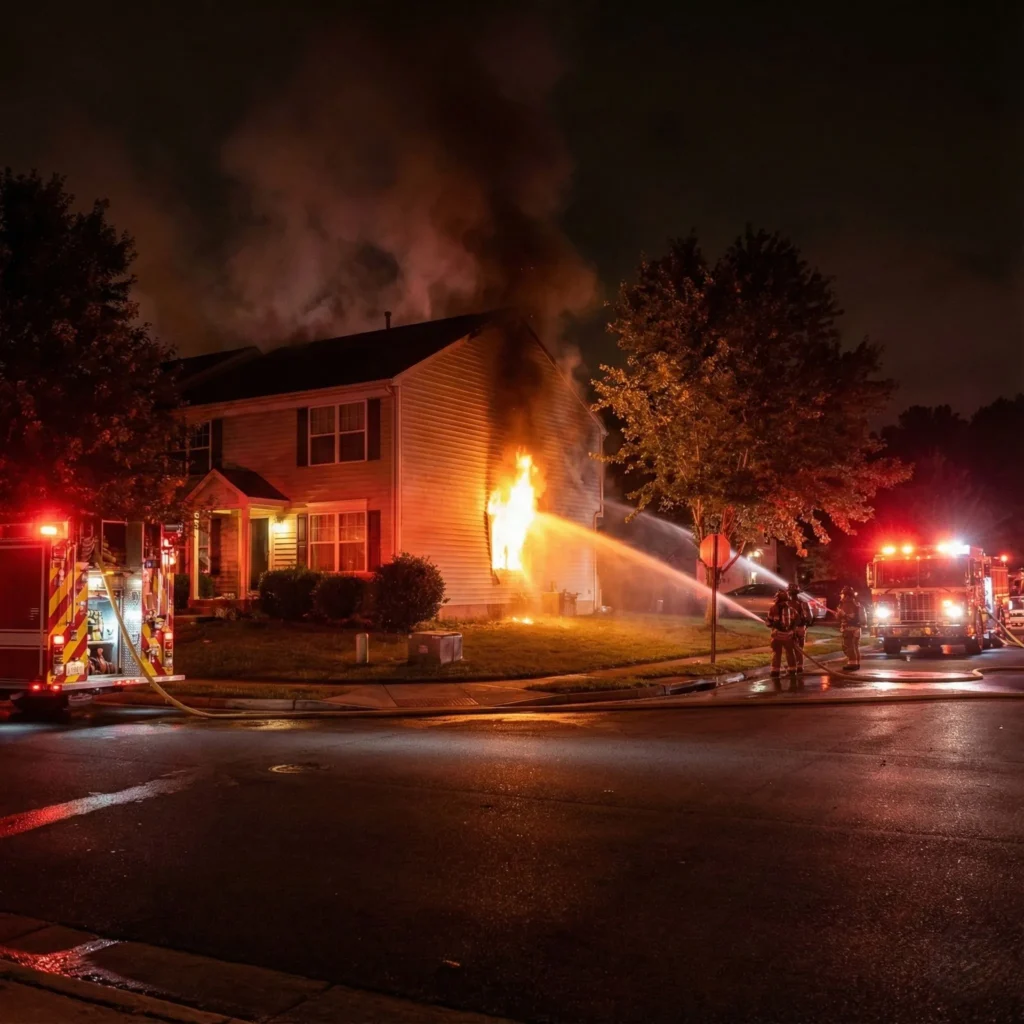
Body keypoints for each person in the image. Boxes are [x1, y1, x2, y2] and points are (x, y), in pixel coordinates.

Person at [767, 588, 798, 677]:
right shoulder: (791, 609)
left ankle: (775, 671)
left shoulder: (773, 609)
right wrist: (792, 630)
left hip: (777, 636)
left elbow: (768, 622)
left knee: (777, 653)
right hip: (788, 636)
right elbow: (797, 620)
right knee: (790, 652)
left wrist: (772, 625)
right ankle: (792, 670)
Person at [837, 586, 865, 670]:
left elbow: (840, 617)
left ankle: (852, 664)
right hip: (857, 629)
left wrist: (839, 614)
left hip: (849, 629)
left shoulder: (845, 604)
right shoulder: (857, 603)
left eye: (842, 594)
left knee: (849, 646)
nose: (841, 596)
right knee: (855, 646)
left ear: (846, 595)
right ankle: (856, 663)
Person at [788, 582, 814, 673]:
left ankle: (792, 667)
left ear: (789, 593)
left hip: (790, 629)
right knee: (800, 648)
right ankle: (800, 667)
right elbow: (810, 617)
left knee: (790, 649)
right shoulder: (804, 603)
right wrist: (805, 626)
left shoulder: (786, 604)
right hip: (801, 628)